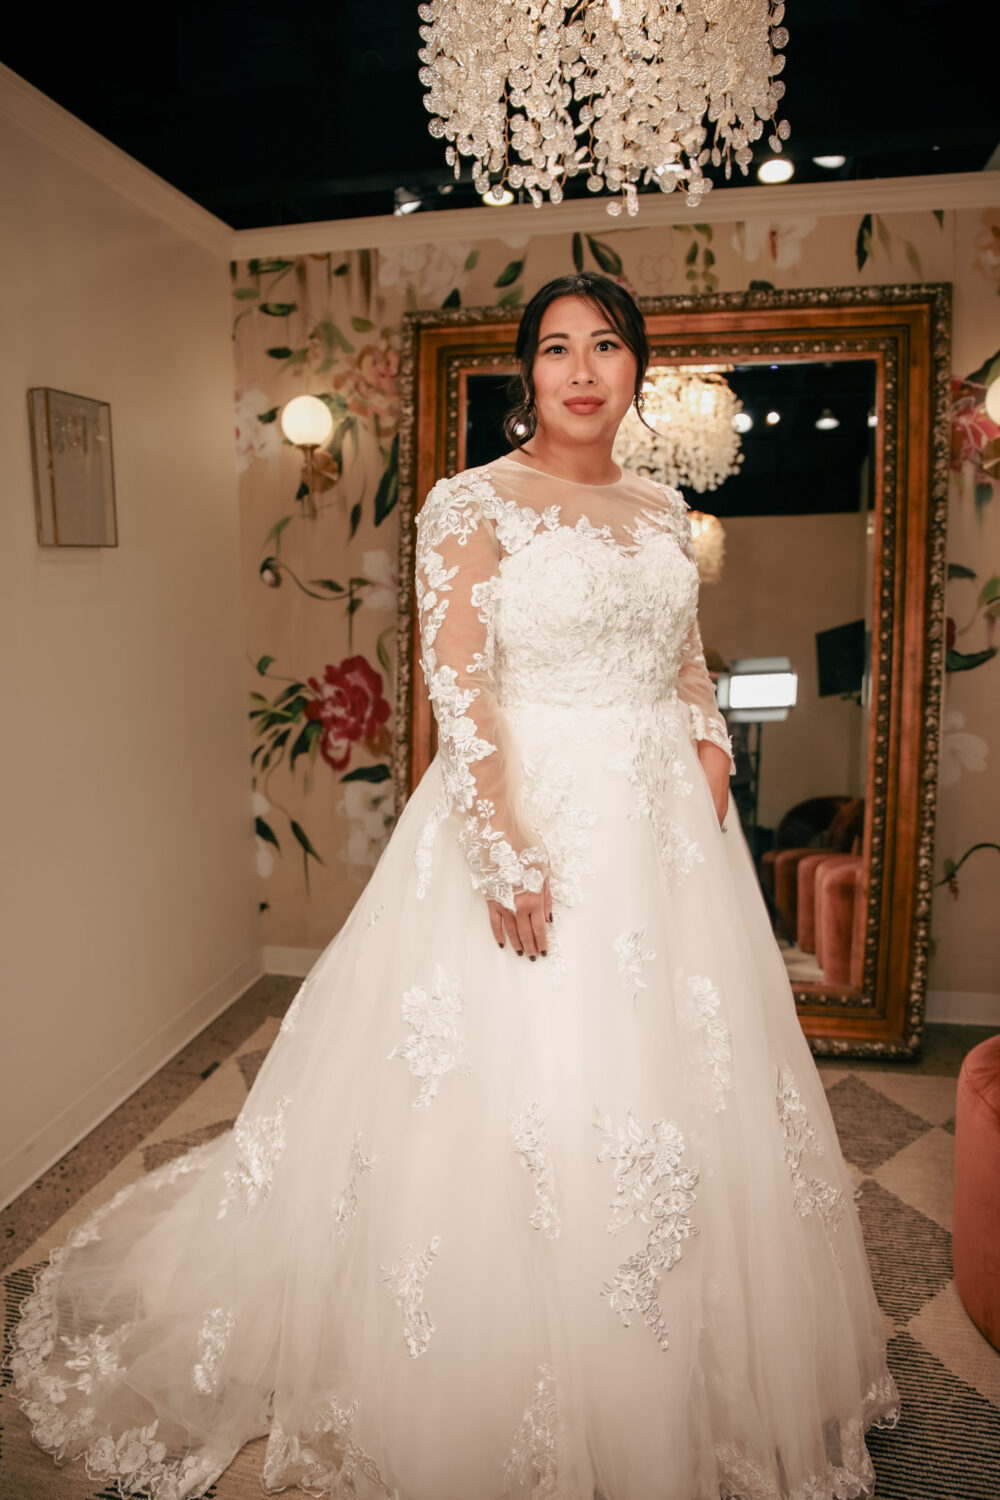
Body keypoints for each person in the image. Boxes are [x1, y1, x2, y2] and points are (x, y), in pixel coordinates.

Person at [10, 272, 900, 1500]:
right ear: (527, 373)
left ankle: (673, 1366)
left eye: (605, 345)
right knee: (515, 1077)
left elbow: (684, 660)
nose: (581, 369)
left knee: (675, 1076)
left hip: (660, 831)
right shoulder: (471, 500)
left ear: (636, 369)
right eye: (555, 348)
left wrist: (707, 752)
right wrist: (502, 848)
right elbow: (459, 684)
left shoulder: (661, 507)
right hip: (528, 807)